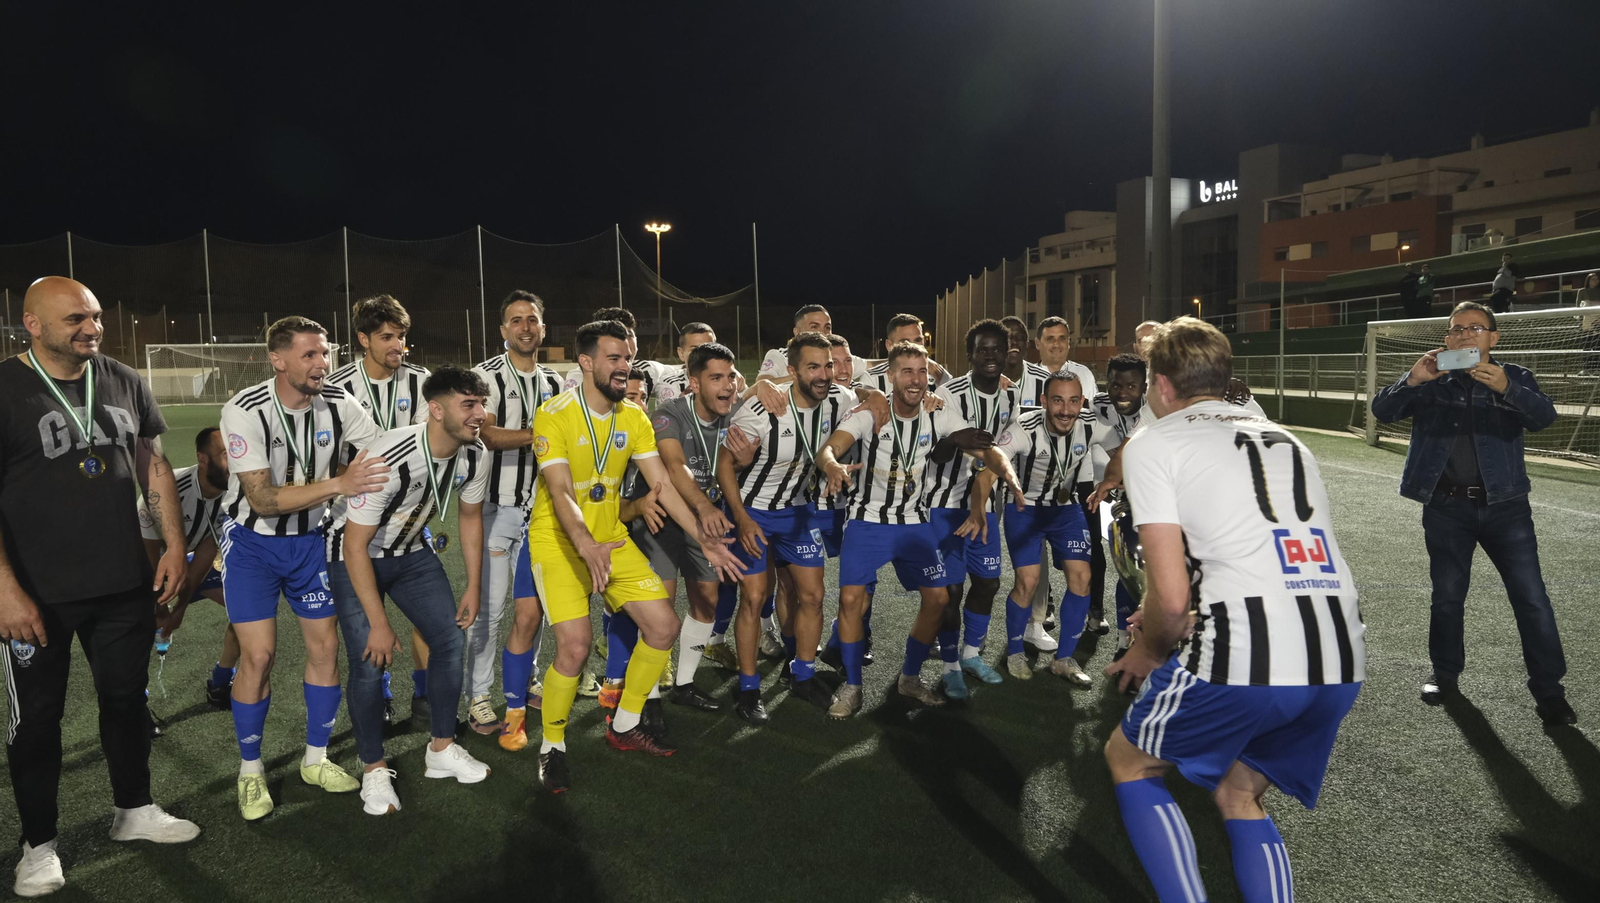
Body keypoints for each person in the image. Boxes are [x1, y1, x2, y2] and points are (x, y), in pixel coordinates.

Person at [1103, 317, 1365, 903]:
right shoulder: (1287, 438)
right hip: (1340, 654)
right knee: (1238, 793)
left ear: (1161, 384)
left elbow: (1171, 598)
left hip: (1248, 653)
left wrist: (1148, 650)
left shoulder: (1155, 442)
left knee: (1131, 761)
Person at [1, 276, 200, 897]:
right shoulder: (3, 388)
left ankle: (133, 809)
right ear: (33, 324)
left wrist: (173, 544)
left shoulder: (121, 378)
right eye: (75, 320)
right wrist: (4, 590)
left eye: (94, 316)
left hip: (121, 583)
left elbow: (152, 463)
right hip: (36, 593)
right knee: (38, 721)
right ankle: (38, 846)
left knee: (125, 701)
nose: (92, 328)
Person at [526, 319, 743, 793]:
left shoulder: (635, 417)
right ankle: (552, 746)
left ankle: (624, 725)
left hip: (611, 538)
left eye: (627, 357)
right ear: (586, 363)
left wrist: (701, 537)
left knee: (663, 627)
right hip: (560, 542)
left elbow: (662, 485)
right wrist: (585, 543)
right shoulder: (553, 414)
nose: (624, 366)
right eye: (614, 358)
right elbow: (560, 491)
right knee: (575, 647)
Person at [1371, 301, 1575, 725]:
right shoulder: (1432, 378)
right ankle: (1445, 675)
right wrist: (1412, 379)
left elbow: (1544, 417)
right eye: (1456, 329)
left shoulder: (1515, 376)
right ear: (1447, 339)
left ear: (1493, 338)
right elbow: (1382, 411)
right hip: (1446, 508)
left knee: (1532, 599)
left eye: (1475, 328)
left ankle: (1549, 690)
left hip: (1506, 508)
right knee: (1447, 597)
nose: (1464, 334)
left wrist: (1507, 388)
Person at [218, 315, 387, 820]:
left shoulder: (339, 401)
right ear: (278, 359)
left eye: (325, 353)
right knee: (258, 656)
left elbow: (379, 450)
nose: (322, 363)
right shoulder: (244, 409)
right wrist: (339, 484)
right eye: (310, 354)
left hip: (312, 542)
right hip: (252, 544)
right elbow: (263, 499)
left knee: (325, 649)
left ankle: (315, 759)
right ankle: (251, 770)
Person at [814, 341, 1019, 719]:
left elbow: (984, 447)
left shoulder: (937, 412)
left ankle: (909, 677)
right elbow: (829, 449)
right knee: (851, 601)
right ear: (891, 376)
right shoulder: (869, 413)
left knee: (938, 600)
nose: (916, 379)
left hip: (913, 521)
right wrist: (832, 466)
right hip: (867, 521)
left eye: (922, 371)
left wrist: (1007, 472)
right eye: (907, 371)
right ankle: (853, 685)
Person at [325, 367, 494, 815]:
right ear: (436, 410)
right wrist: (378, 623)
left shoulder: (476, 453)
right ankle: (373, 768)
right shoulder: (387, 455)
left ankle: (441, 748)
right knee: (369, 659)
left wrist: (473, 585)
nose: (480, 413)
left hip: (411, 551)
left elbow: (470, 517)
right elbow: (354, 545)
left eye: (482, 403)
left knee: (449, 641)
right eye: (469, 404)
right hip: (352, 555)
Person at [718, 333, 855, 722]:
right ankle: (749, 688)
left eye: (828, 365)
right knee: (754, 598)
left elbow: (867, 396)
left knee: (813, 595)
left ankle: (803, 676)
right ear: (792, 372)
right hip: (754, 512)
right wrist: (742, 517)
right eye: (813, 367)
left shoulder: (839, 399)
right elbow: (724, 464)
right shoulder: (764, 408)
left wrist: (876, 397)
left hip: (798, 512)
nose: (824, 374)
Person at [974, 371, 1121, 685]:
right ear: (1044, 401)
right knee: (1027, 582)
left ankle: (1063, 659)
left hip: (1066, 511)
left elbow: (1123, 449)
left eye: (1073, 401)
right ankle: (1015, 651)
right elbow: (992, 466)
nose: (1066, 410)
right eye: (1057, 401)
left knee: (1082, 578)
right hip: (1025, 509)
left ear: (1082, 401)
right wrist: (979, 511)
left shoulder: (1092, 423)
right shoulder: (1024, 428)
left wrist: (1112, 477)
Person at [326, 293, 432, 724]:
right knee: (369, 622)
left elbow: (427, 444)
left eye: (401, 336)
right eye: (387, 337)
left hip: (409, 519)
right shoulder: (336, 386)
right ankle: (382, 696)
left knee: (426, 615)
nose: (398, 345)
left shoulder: (421, 380)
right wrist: (357, 476)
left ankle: (425, 696)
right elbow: (326, 455)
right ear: (363, 339)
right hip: (351, 521)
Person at [464, 291, 564, 734]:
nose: (526, 327)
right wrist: (540, 435)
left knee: (533, 606)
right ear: (503, 329)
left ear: (543, 327)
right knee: (489, 610)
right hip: (494, 509)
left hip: (539, 512)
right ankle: (479, 696)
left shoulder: (555, 382)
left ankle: (527, 677)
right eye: (517, 320)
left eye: (532, 319)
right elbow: (483, 433)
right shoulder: (484, 377)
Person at [636, 342, 742, 711]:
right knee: (660, 609)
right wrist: (703, 505)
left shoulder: (738, 413)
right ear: (694, 383)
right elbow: (673, 464)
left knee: (707, 599)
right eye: (716, 378)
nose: (727, 385)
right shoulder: (669, 413)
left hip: (706, 516)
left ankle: (684, 684)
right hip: (664, 517)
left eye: (731, 376)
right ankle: (648, 697)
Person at [923, 320, 1021, 699]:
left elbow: (1002, 450)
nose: (990, 356)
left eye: (997, 349)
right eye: (982, 350)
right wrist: (954, 440)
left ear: (1007, 353)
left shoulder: (1010, 396)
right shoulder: (949, 394)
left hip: (986, 506)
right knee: (950, 590)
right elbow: (933, 453)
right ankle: (950, 667)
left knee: (988, 583)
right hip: (944, 505)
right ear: (970, 355)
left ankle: (970, 655)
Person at [138, 427, 234, 709]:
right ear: (203, 459)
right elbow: (148, 556)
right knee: (135, 624)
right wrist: (160, 607)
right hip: (145, 561)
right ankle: (136, 702)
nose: (236, 462)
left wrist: (180, 608)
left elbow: (206, 553)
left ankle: (221, 681)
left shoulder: (235, 493)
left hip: (188, 559)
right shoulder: (167, 491)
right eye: (225, 454)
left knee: (247, 611)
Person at [759, 305, 869, 384]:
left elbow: (872, 365)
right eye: (814, 327)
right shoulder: (780, 356)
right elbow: (762, 383)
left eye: (827, 327)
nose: (823, 333)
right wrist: (804, 377)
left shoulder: (839, 358)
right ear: (797, 332)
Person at [857, 314, 951, 392]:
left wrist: (941, 381)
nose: (913, 346)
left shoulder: (938, 373)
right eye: (905, 342)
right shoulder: (873, 379)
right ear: (889, 345)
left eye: (918, 340)